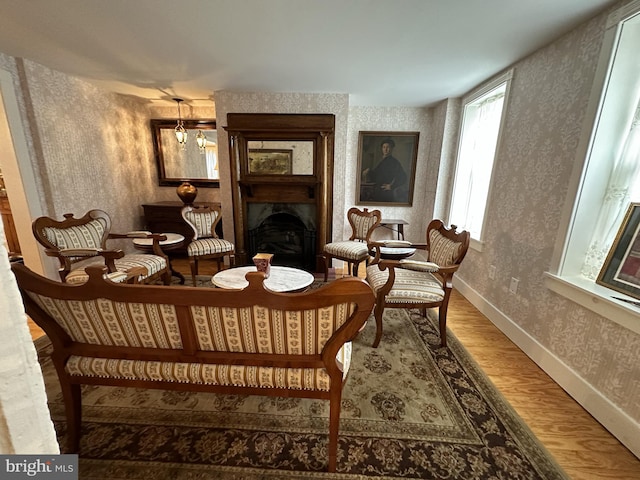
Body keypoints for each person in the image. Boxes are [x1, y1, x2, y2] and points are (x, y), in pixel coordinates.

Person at [361, 138, 408, 202]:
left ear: (391, 149)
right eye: (384, 147)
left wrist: (391, 186)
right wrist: (368, 171)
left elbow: (403, 177)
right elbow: (376, 175)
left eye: (388, 147)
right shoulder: (382, 161)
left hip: (386, 193)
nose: (385, 149)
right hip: (377, 191)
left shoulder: (394, 162)